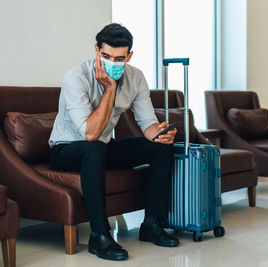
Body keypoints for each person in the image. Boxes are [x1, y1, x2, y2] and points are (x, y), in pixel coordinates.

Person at [48, 23, 179, 261]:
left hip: (102, 149)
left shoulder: (136, 77)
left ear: (129, 56)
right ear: (97, 51)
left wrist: (159, 133)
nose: (112, 63)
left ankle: (151, 224)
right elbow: (90, 134)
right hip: (65, 150)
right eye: (106, 56)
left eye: (119, 59)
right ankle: (99, 237)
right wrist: (110, 88)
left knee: (160, 146)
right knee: (95, 146)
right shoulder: (75, 77)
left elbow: (147, 122)